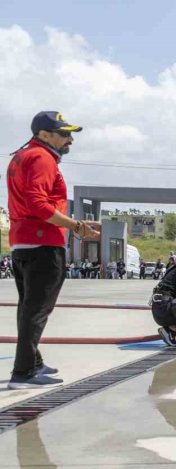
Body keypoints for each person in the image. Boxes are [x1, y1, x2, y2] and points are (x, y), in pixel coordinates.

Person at [6, 111, 100, 389]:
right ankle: (23, 373)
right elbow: (38, 204)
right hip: (42, 243)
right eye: (64, 134)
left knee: (28, 307)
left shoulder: (22, 156)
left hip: (22, 241)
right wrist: (76, 226)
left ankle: (33, 362)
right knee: (37, 310)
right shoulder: (42, 158)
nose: (70, 139)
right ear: (44, 135)